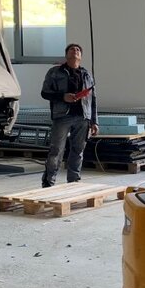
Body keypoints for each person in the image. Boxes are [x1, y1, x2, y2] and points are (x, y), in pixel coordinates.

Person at [40, 42, 99, 187]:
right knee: (56, 151)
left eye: (78, 49)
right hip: (62, 117)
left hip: (82, 118)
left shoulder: (87, 75)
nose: (75, 51)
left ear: (81, 56)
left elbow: (93, 99)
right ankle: (48, 183)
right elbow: (45, 93)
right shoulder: (55, 72)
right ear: (66, 55)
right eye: (72, 49)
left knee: (78, 150)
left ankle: (74, 182)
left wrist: (94, 121)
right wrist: (63, 97)